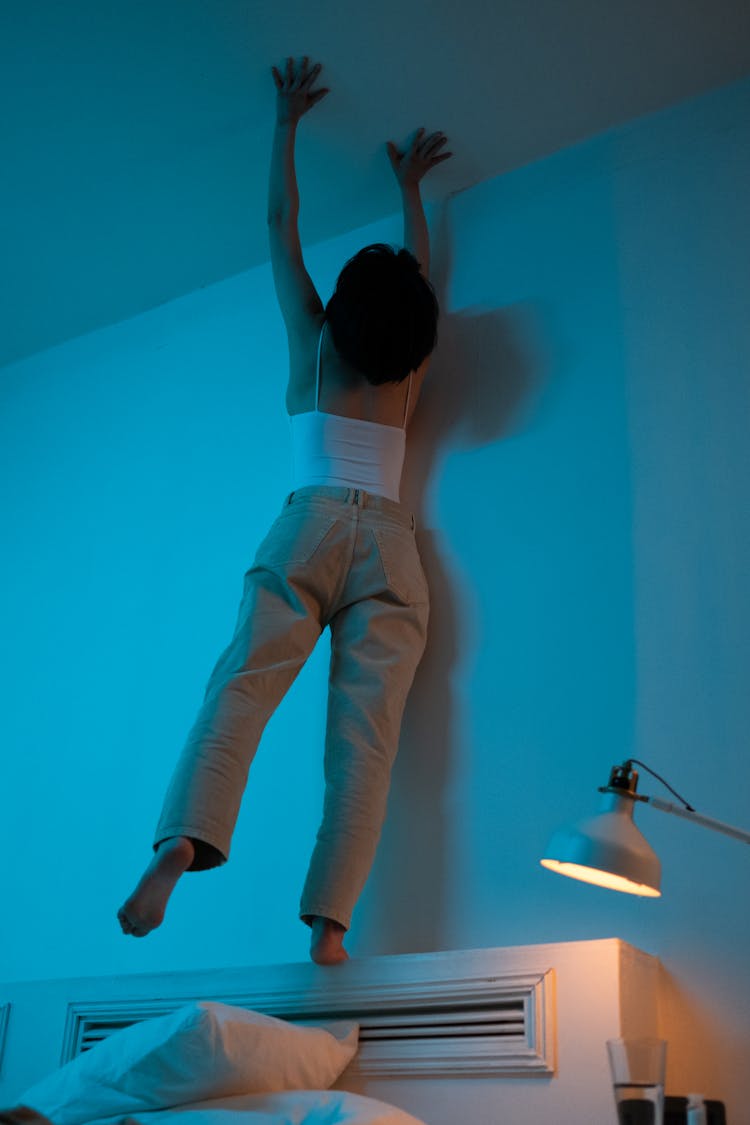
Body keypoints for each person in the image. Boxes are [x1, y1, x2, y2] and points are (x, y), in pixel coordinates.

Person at [117, 56, 452, 965]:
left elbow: (280, 224)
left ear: (341, 310)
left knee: (240, 692)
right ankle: (331, 925)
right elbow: (419, 280)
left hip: (307, 527)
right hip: (392, 546)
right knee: (365, 743)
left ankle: (181, 843)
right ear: (412, 330)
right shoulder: (409, 370)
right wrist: (413, 189)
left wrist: (286, 121)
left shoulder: (314, 345)